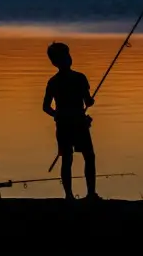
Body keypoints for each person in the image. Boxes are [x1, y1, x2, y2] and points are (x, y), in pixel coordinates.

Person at [42, 42, 101, 201]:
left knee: (67, 158)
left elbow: (46, 107)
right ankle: (91, 194)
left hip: (63, 125)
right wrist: (90, 102)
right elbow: (87, 101)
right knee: (88, 156)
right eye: (66, 56)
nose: (68, 58)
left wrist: (56, 114)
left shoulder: (53, 81)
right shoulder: (79, 78)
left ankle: (69, 195)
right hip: (78, 123)